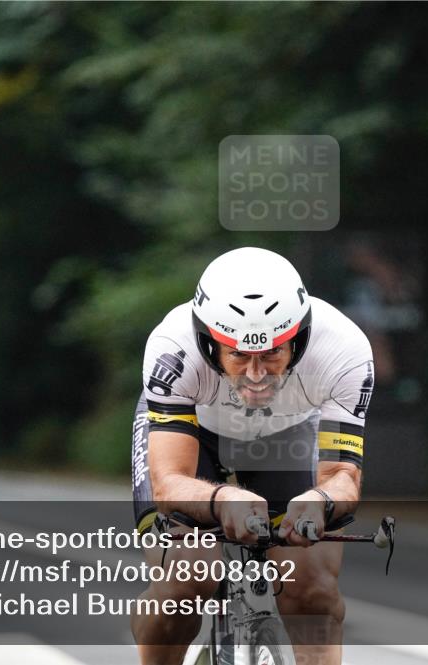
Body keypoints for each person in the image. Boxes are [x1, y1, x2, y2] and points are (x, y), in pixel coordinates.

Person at [130, 247, 374, 665]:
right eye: (239, 354)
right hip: (195, 437)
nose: (257, 374)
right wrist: (223, 498)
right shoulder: (174, 349)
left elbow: (341, 476)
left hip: (288, 435)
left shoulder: (344, 350)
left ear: (298, 339)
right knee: (185, 583)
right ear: (209, 343)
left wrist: (318, 503)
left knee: (314, 590)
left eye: (273, 353)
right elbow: (169, 481)